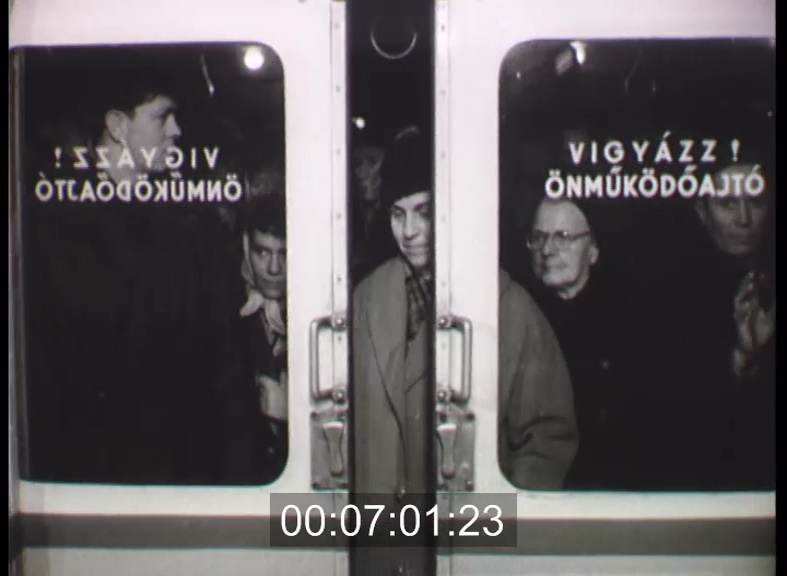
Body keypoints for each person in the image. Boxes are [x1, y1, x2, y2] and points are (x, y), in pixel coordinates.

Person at [24, 64, 229, 484]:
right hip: (91, 474)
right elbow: (45, 375)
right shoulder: (52, 229)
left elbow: (222, 361)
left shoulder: (194, 224)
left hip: (185, 472)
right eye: (162, 116)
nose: (176, 131)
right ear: (117, 126)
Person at [352, 129, 578, 497]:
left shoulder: (506, 304)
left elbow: (548, 438)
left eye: (424, 213)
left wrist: (498, 518)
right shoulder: (364, 298)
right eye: (397, 214)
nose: (409, 232)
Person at [634, 162, 775, 491]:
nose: (744, 219)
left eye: (755, 201)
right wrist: (742, 359)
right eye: (728, 204)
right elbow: (675, 425)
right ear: (702, 211)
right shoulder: (668, 297)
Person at [525, 197, 633, 489]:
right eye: (538, 237)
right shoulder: (519, 315)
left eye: (563, 237)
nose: (547, 250)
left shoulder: (626, 324)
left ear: (593, 249)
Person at [219, 192, 289, 484]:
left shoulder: (315, 311)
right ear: (246, 247)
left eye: (284, 254)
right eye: (263, 253)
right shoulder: (221, 313)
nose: (274, 268)